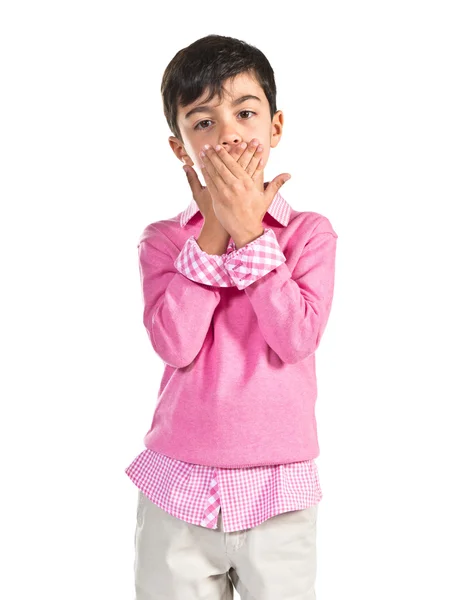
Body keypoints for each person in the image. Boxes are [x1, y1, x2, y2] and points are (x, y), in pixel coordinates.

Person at [125, 33, 338, 600]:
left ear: (275, 127)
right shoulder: (164, 240)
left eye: (245, 113)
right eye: (203, 123)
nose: (228, 135)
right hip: (179, 487)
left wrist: (250, 231)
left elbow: (297, 339)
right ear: (180, 148)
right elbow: (175, 343)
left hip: (278, 491)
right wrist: (215, 229)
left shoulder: (307, 234)